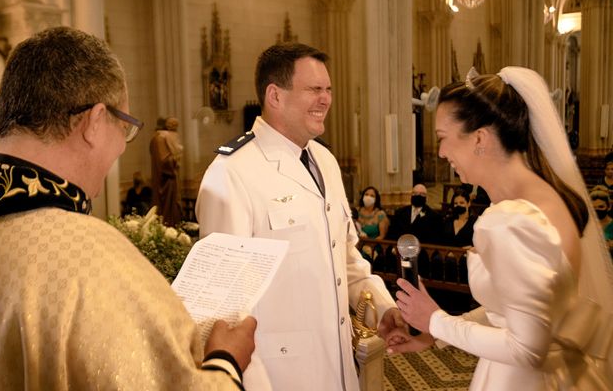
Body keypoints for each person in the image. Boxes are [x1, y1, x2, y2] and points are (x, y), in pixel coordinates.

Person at [0, 26, 256, 390]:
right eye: (124, 128)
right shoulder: (83, 255)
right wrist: (226, 361)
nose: (122, 147)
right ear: (93, 122)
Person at [196, 42, 404, 391]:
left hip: (338, 365)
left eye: (328, 89)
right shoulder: (231, 173)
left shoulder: (325, 161)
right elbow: (226, 309)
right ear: (275, 96)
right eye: (314, 89)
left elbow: (347, 259)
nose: (326, 99)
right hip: (281, 377)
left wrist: (383, 310)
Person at [391, 67, 613, 389]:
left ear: (480, 138)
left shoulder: (510, 220)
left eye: (442, 138)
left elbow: (527, 349)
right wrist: (435, 331)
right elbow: (517, 306)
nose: (440, 153)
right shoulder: (544, 197)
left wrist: (437, 322)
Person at [150, 115, 182, 225]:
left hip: (165, 181)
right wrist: (175, 159)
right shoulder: (159, 139)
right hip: (166, 184)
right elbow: (165, 162)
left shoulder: (159, 138)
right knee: (167, 213)